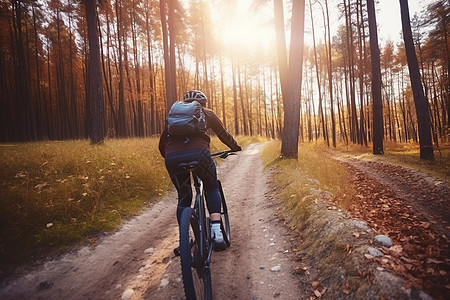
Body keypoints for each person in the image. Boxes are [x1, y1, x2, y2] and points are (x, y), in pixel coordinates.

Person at [159, 90, 242, 250]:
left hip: (173, 158)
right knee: (211, 187)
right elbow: (223, 134)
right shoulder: (206, 113)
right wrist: (235, 147)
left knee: (184, 196)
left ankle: (184, 241)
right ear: (202, 104)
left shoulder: (172, 119)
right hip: (200, 155)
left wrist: (172, 158)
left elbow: (162, 144)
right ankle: (217, 234)